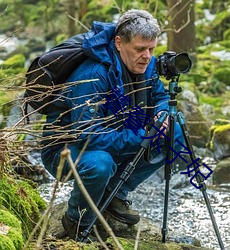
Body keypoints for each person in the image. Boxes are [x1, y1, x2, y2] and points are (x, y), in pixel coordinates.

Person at [41, 9, 184, 241]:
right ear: (119, 43)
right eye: (140, 49)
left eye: (152, 49)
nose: (147, 56)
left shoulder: (145, 65)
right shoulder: (93, 75)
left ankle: (115, 193)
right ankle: (76, 221)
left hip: (116, 134)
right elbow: (87, 136)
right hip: (66, 150)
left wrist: (162, 114)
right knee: (100, 164)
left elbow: (160, 97)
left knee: (175, 131)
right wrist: (142, 136)